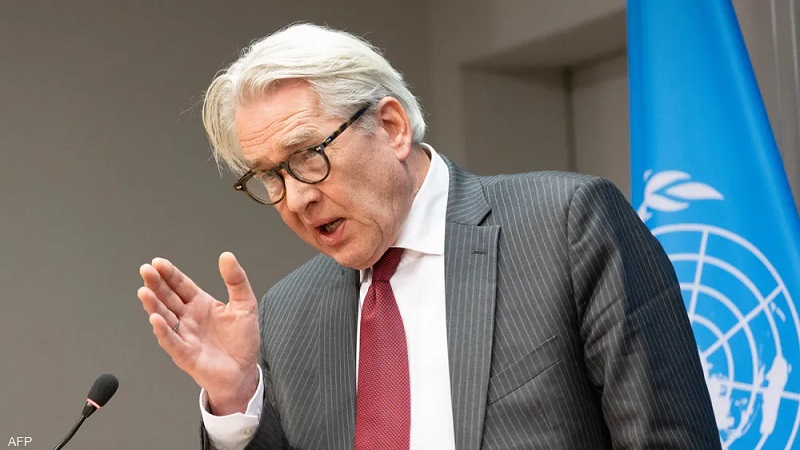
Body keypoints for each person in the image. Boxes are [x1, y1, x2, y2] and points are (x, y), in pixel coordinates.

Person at [137, 23, 722, 449]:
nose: (296, 198)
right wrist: (236, 400)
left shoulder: (564, 226)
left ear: (391, 127)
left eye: (309, 156)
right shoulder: (290, 313)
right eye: (270, 177)